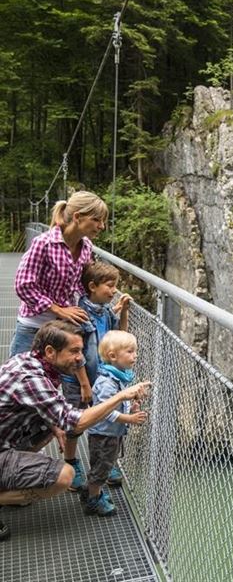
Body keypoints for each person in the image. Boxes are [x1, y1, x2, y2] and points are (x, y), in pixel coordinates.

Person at [0, 321, 150, 540]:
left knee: (55, 427)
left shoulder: (31, 362)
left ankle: (11, 481)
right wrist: (122, 396)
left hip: (8, 436)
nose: (81, 357)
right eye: (74, 351)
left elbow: (48, 410)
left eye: (81, 350)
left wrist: (55, 427)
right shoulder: (31, 378)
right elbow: (74, 422)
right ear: (50, 352)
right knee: (64, 477)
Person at [10, 190, 108, 358]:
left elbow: (80, 285)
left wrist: (103, 304)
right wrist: (59, 310)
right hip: (34, 326)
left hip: (63, 329)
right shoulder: (44, 243)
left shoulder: (86, 247)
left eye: (103, 221)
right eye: (96, 219)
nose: (102, 226)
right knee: (20, 380)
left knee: (51, 383)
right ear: (77, 217)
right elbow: (23, 285)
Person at [61, 262, 131, 491]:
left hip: (101, 379)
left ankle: (103, 464)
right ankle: (71, 463)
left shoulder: (104, 310)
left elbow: (118, 336)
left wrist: (123, 311)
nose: (114, 292)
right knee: (76, 422)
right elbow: (76, 352)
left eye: (115, 287)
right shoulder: (79, 314)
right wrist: (83, 383)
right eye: (110, 287)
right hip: (78, 380)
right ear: (92, 286)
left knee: (102, 419)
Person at [83, 331, 147, 517]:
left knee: (104, 465)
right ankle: (93, 500)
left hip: (111, 433)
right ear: (113, 356)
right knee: (102, 467)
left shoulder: (117, 377)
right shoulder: (107, 382)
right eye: (130, 351)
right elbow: (106, 410)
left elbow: (118, 402)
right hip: (104, 434)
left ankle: (92, 492)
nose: (135, 355)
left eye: (135, 351)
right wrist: (129, 419)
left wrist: (131, 408)